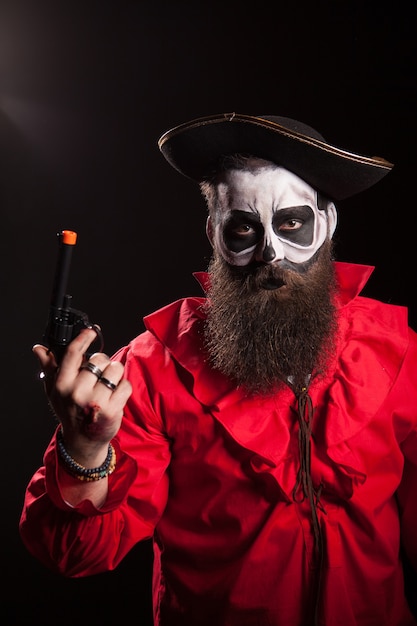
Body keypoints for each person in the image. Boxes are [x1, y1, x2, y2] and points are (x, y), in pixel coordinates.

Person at [19, 113, 417, 626]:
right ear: (214, 233)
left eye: (292, 223)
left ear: (328, 223)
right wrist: (85, 451)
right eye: (245, 228)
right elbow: (76, 555)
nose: (271, 254)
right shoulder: (151, 368)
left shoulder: (397, 350)